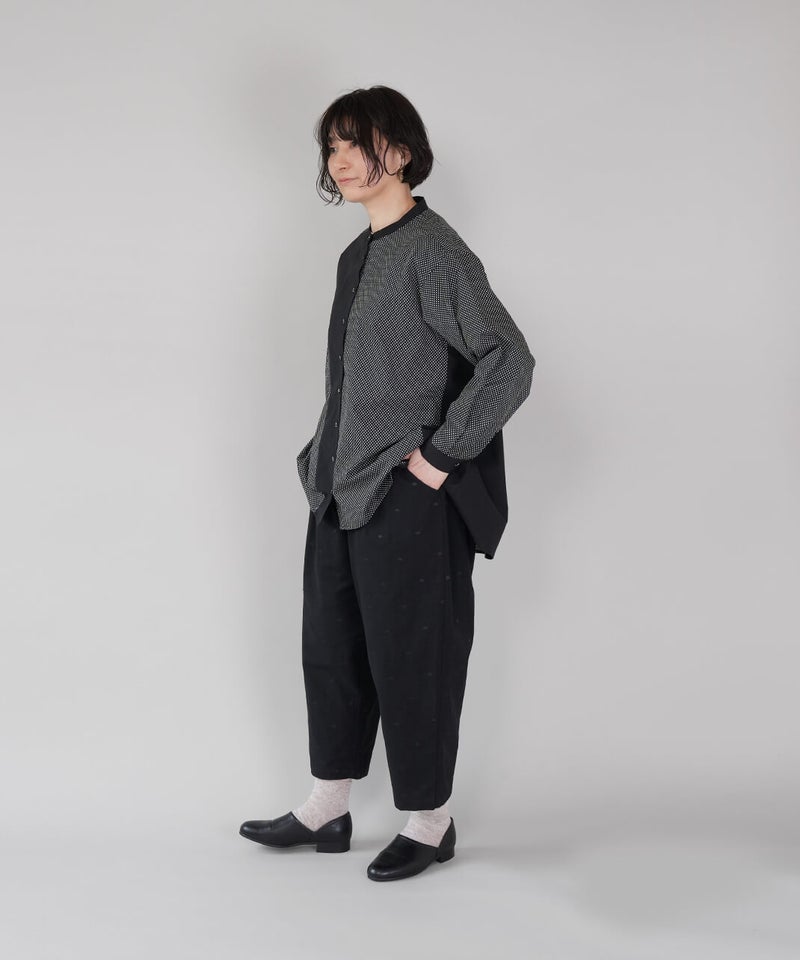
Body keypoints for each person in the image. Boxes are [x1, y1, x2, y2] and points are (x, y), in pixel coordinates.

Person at [240, 85, 535, 881]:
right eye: (331, 146)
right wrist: (321, 458)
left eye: (356, 143)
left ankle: (431, 822)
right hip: (337, 489)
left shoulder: (434, 250)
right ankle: (328, 806)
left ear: (399, 153)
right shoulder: (357, 254)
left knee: (415, 658)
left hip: (408, 497)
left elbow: (510, 358)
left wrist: (440, 457)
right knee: (331, 649)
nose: (340, 160)